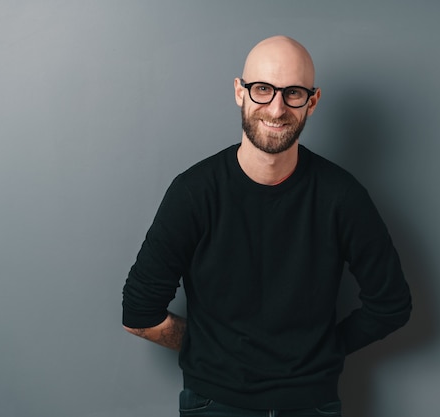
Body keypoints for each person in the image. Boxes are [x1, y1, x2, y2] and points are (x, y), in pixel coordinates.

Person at [122, 35, 412, 416]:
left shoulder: (341, 196)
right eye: (263, 89)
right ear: (239, 92)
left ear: (313, 101)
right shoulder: (194, 192)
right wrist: (210, 349)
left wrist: (321, 350)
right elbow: (139, 313)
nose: (276, 109)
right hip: (215, 403)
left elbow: (391, 305)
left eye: (293, 93)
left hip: (311, 404)